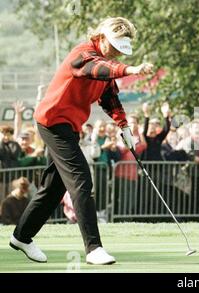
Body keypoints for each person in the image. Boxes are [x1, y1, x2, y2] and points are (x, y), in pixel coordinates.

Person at [9, 17, 154, 264]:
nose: (117, 53)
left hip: (69, 126)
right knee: (81, 180)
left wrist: (124, 126)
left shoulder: (107, 63)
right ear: (100, 38)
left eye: (121, 50)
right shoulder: (83, 54)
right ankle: (94, 248)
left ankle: (22, 236)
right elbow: (95, 69)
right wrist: (131, 70)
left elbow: (110, 98)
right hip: (53, 121)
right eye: (114, 46)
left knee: (54, 188)